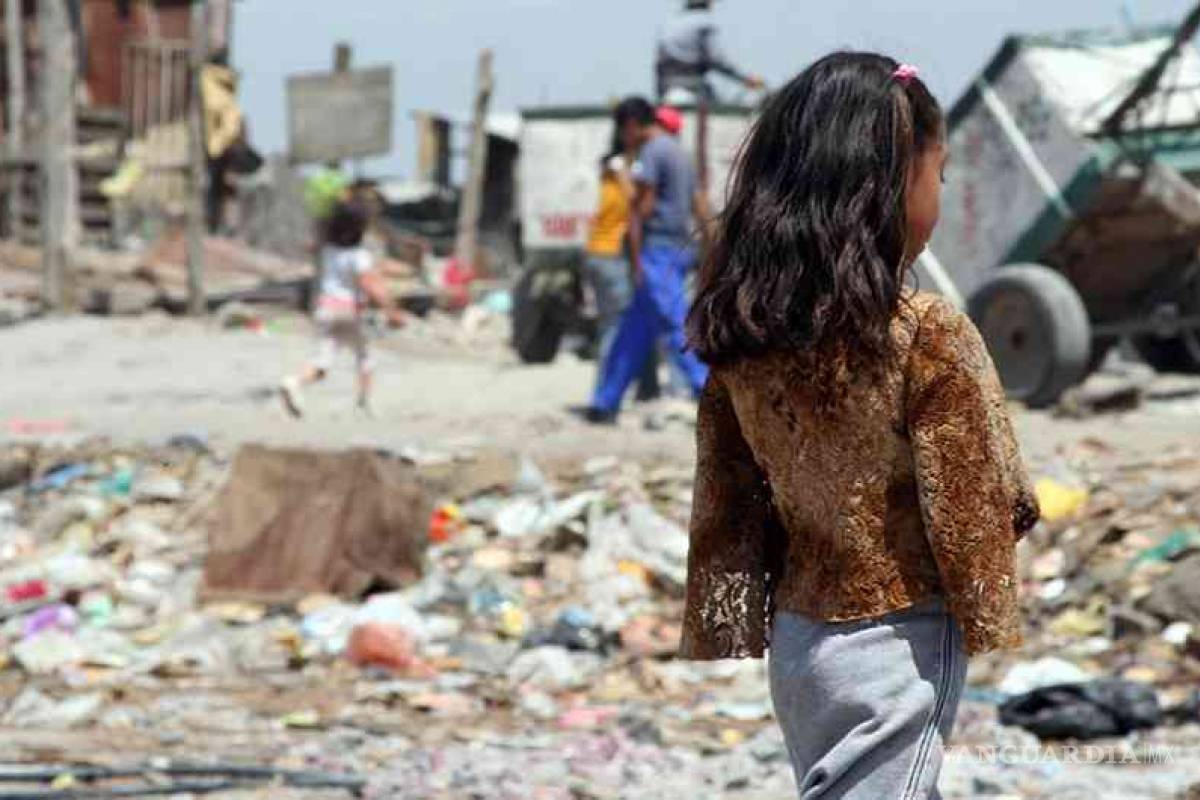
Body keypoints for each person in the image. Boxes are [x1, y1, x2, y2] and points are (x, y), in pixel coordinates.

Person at [679, 54, 1039, 798]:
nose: (939, 198)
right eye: (936, 177)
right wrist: (987, 595)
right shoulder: (925, 334)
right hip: (902, 637)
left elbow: (727, 498)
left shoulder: (744, 340)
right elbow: (980, 500)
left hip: (802, 643)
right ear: (891, 185)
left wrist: (733, 612)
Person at [585, 97, 709, 423]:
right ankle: (604, 401)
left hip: (658, 250)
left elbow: (643, 209)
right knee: (634, 328)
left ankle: (706, 389)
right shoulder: (680, 153)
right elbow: (699, 203)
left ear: (631, 126)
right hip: (679, 246)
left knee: (672, 320)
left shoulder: (652, 153)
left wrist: (637, 258)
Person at [280, 195, 407, 418]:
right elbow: (371, 285)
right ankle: (365, 402)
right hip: (348, 311)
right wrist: (392, 311)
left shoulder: (328, 252)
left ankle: (294, 382)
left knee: (323, 360)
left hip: (324, 309)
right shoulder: (358, 256)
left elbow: (313, 245)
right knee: (365, 356)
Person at [656, 0, 764, 104]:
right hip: (692, 89)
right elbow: (717, 60)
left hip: (665, 88)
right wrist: (746, 79)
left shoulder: (671, 22)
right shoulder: (704, 22)